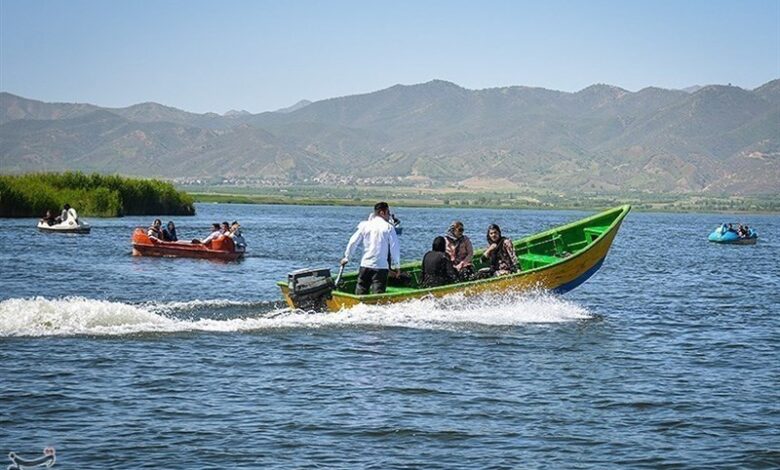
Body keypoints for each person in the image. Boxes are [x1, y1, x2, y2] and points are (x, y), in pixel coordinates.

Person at [341, 201, 401, 295]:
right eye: (388, 213)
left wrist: (347, 257)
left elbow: (353, 242)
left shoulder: (365, 225)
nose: (389, 216)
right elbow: (394, 248)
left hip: (365, 265)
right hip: (380, 267)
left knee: (361, 291)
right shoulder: (388, 227)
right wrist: (397, 266)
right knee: (378, 295)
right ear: (382, 212)